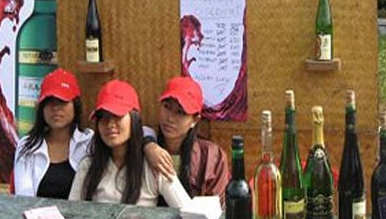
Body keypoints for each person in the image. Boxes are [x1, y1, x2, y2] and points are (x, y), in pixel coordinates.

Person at [68, 79, 190, 207]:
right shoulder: (88, 166)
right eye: (103, 117)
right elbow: (70, 211)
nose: (110, 124)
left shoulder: (155, 164)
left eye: (118, 115)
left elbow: (187, 210)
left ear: (134, 119)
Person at [145, 76, 230, 207]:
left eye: (180, 112)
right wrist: (148, 146)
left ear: (195, 120)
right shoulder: (146, 146)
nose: (170, 118)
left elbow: (217, 208)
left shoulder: (212, 157)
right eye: (167, 107)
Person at [13, 68, 93, 198]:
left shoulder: (90, 143)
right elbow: (24, 197)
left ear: (75, 105)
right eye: (49, 102)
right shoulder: (27, 146)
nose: (55, 108)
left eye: (62, 101)